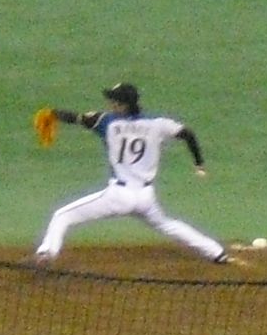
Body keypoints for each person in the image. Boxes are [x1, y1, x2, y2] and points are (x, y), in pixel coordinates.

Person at [35, 83, 245, 266]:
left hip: (118, 196)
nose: (111, 104)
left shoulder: (106, 122)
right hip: (145, 197)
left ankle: (46, 253)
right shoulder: (158, 124)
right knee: (167, 224)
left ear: (123, 105)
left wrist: (53, 113)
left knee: (62, 216)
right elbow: (188, 134)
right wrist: (199, 164)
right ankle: (216, 253)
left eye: (114, 101)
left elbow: (75, 118)